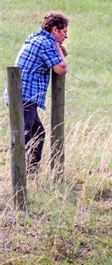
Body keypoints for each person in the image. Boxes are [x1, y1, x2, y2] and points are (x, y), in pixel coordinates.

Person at [3, 12, 69, 173]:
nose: (66, 36)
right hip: (25, 96)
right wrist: (59, 52)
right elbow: (61, 69)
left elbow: (63, 52)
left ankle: (31, 172)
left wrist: (59, 47)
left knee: (37, 133)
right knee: (24, 136)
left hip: (19, 94)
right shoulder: (45, 44)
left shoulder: (37, 38)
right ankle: (20, 174)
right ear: (54, 30)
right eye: (64, 32)